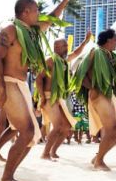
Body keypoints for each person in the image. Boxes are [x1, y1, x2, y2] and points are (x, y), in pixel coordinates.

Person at [0, 0, 71, 181]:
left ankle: (9, 175)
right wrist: (1, 87)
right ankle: (5, 177)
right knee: (28, 131)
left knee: (33, 135)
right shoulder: (10, 31)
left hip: (20, 85)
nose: (39, 14)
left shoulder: (30, 32)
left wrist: (64, 2)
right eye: (36, 10)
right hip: (8, 83)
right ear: (26, 12)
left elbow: (50, 18)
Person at [71, 29, 116, 171]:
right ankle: (99, 161)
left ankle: (98, 157)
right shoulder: (95, 52)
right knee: (112, 129)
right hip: (99, 94)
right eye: (115, 39)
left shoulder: (111, 56)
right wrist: (93, 88)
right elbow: (79, 74)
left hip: (108, 94)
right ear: (109, 40)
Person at [36, 31, 90, 160]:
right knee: (58, 126)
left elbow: (76, 53)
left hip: (60, 98)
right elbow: (38, 78)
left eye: (66, 46)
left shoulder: (64, 61)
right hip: (49, 97)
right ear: (56, 48)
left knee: (66, 128)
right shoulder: (49, 60)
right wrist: (42, 97)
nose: (67, 48)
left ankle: (53, 151)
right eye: (64, 46)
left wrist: (85, 41)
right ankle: (45, 153)